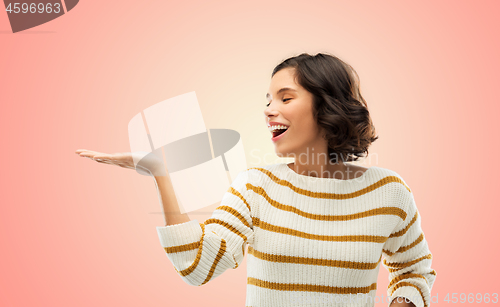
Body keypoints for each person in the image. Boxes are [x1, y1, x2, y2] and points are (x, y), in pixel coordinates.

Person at [75, 53, 436, 307]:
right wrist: (160, 173)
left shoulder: (388, 192)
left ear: (326, 106)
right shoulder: (256, 187)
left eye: (285, 97)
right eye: (267, 99)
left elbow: (414, 270)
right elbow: (197, 267)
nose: (268, 109)